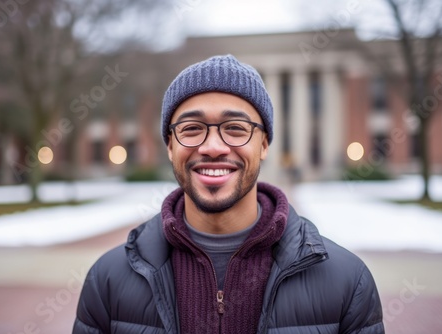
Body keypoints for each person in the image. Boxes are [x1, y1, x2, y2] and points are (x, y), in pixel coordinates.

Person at [73, 55, 385, 334]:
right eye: (192, 127)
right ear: (170, 145)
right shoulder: (107, 282)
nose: (212, 147)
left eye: (235, 127)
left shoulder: (348, 283)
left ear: (263, 145)